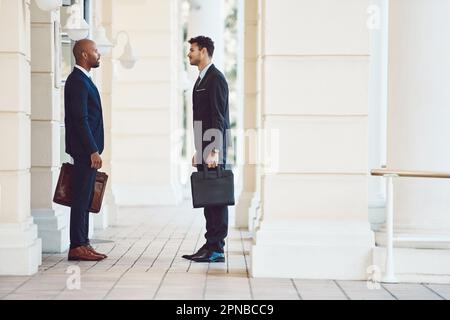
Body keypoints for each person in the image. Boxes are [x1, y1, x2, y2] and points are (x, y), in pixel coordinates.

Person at [182, 36, 231, 263]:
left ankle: (217, 249)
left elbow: (217, 116)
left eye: (192, 50)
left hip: (214, 149)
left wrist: (214, 150)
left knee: (217, 198)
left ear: (203, 51)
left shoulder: (216, 79)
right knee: (208, 198)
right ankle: (210, 244)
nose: (188, 54)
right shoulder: (201, 80)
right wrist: (198, 150)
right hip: (205, 148)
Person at [64, 39, 107, 261]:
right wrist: (92, 150)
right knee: (80, 198)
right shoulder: (77, 81)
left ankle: (83, 242)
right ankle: (77, 246)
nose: (98, 54)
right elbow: (81, 120)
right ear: (83, 55)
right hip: (83, 151)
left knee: (86, 197)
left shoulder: (83, 79)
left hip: (86, 150)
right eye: (95, 51)